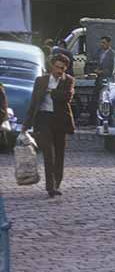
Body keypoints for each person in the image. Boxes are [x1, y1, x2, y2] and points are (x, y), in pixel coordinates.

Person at [24, 54, 75, 198]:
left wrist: (51, 92)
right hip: (43, 119)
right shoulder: (41, 80)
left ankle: (57, 183)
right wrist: (26, 124)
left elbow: (67, 97)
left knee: (59, 154)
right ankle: (50, 187)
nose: (59, 71)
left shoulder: (68, 80)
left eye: (62, 68)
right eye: (57, 67)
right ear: (52, 66)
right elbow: (34, 102)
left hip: (59, 120)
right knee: (48, 153)